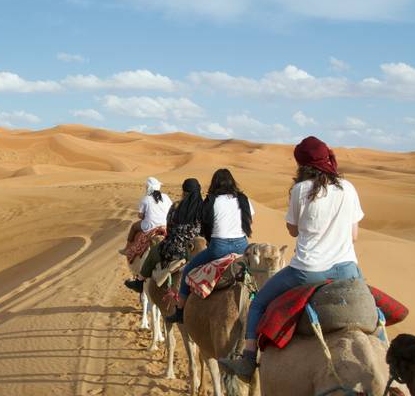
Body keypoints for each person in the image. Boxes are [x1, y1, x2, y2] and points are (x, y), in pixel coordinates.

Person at [218, 136, 365, 380]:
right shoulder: (348, 188)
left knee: (258, 305)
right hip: (347, 269)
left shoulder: (300, 190)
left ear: (302, 165)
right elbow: (354, 235)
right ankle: (388, 356)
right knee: (374, 309)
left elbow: (293, 231)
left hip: (307, 270)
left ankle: (247, 360)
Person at [165, 168, 254, 323]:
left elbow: (206, 225)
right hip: (242, 245)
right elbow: (250, 216)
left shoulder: (212, 201)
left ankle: (180, 311)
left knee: (187, 270)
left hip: (219, 247)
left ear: (214, 184)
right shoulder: (243, 198)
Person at [124, 178, 204, 292]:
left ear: (183, 192)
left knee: (153, 252)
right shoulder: (204, 208)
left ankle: (140, 281)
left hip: (176, 249)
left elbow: (169, 226)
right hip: (197, 249)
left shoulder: (177, 206)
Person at [121, 177, 173, 260]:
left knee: (134, 227)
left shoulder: (145, 199)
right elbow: (171, 209)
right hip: (165, 224)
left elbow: (140, 215)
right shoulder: (166, 197)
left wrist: (145, 216)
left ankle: (127, 248)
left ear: (149, 188)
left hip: (150, 226)